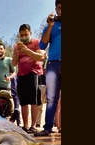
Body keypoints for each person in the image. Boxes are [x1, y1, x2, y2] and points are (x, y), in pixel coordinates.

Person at [12, 23, 45, 134]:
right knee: (24, 101)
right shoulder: (17, 46)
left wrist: (27, 51)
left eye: (26, 34)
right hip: (21, 74)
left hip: (33, 73)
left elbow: (40, 57)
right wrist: (16, 54)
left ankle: (33, 125)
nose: (24, 37)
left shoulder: (37, 42)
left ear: (30, 33)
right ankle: (25, 126)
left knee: (34, 100)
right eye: (21, 35)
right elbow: (13, 63)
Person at [36, 0, 61, 136]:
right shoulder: (50, 25)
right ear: (56, 8)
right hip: (53, 64)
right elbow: (42, 46)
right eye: (59, 7)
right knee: (51, 97)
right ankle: (47, 128)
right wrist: (50, 26)